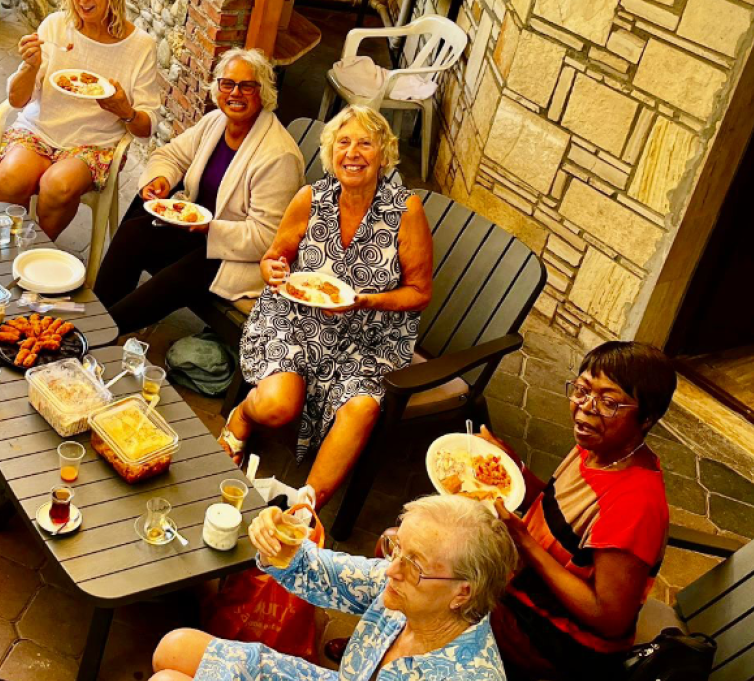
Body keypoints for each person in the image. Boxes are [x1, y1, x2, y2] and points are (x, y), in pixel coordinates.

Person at [222, 106, 434, 508]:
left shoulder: (406, 211)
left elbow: (419, 292)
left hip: (370, 337)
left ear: (384, 154)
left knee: (362, 407)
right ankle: (243, 416)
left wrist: (364, 301)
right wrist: (275, 271)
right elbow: (273, 257)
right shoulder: (310, 198)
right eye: (344, 143)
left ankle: (303, 510)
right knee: (276, 406)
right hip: (296, 321)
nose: (353, 152)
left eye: (365, 143)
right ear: (331, 152)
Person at [151, 494, 516, 681]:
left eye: (414, 563)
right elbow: (320, 570)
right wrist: (279, 540)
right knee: (174, 646)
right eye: (397, 547)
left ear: (463, 593)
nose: (391, 569)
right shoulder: (403, 586)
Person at [483, 341, 679, 679]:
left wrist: (524, 542)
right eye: (582, 390)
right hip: (522, 585)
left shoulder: (636, 504)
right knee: (403, 549)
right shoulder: (596, 448)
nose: (586, 408)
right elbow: (558, 512)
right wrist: (512, 468)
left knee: (422, 583)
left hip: (554, 638)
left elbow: (609, 617)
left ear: (646, 418)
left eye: (609, 402)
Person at [94, 48, 303, 334]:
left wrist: (209, 228)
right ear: (217, 87)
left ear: (263, 92)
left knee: (175, 278)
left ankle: (104, 333)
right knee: (134, 233)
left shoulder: (279, 156)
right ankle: (97, 315)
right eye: (227, 83)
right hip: (198, 235)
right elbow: (171, 156)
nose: (235, 93)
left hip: (236, 255)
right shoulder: (215, 122)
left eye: (247, 86)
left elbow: (267, 237)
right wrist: (161, 181)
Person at [0, 0, 160, 239]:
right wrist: (29, 66)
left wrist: (126, 111)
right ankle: (2, 253)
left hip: (94, 144)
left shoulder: (141, 46)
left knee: (57, 186)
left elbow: (146, 128)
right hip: (39, 129)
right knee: (9, 179)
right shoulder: (56, 26)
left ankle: (34, 255)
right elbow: (17, 100)